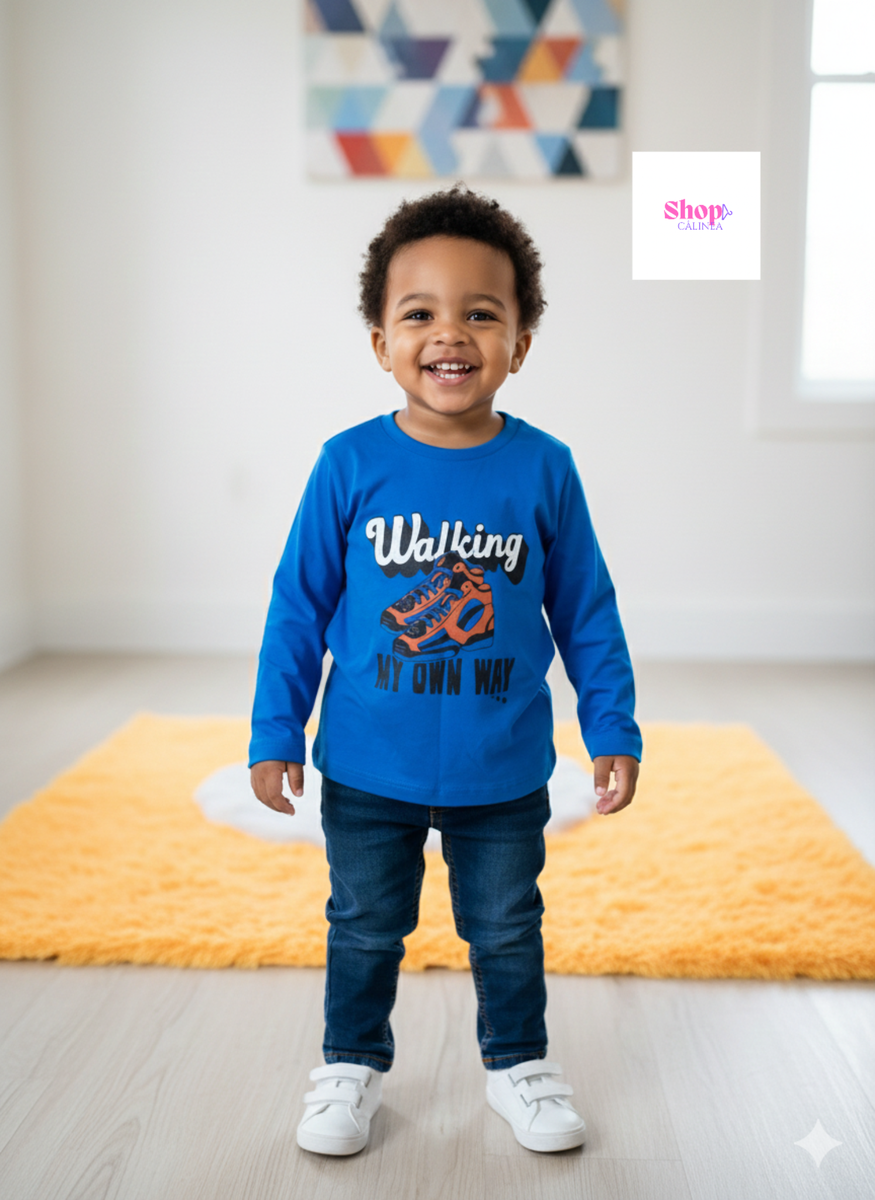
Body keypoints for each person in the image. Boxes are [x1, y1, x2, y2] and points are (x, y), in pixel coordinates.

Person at [249, 184, 642, 1157]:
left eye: (480, 313)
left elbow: (585, 610)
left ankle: (518, 1066)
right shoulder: (347, 464)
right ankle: (349, 1066)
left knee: (505, 927)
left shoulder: (544, 468)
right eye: (418, 313)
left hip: (499, 767)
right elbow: (297, 606)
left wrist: (611, 726)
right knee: (363, 925)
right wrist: (274, 731)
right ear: (380, 341)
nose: (449, 334)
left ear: (520, 342)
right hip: (366, 764)